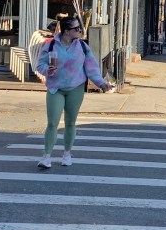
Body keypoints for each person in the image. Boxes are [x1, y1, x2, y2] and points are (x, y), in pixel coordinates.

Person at [35, 16, 113, 169]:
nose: (80, 31)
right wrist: (47, 70)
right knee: (52, 123)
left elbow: (92, 68)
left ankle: (66, 154)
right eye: (77, 29)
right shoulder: (51, 46)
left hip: (75, 88)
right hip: (55, 88)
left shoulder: (82, 47)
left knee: (70, 123)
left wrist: (102, 84)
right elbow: (40, 65)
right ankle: (46, 157)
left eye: (80, 28)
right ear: (66, 31)